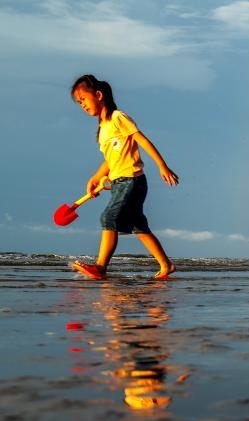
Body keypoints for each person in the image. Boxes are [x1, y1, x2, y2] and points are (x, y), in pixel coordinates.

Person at [69, 75, 177, 280]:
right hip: (120, 182)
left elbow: (142, 140)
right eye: (79, 103)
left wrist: (162, 166)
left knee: (108, 217)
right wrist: (96, 177)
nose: (82, 105)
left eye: (83, 99)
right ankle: (166, 265)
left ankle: (100, 267)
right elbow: (110, 160)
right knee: (139, 226)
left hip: (132, 180)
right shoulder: (102, 130)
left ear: (99, 95)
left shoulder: (118, 117)